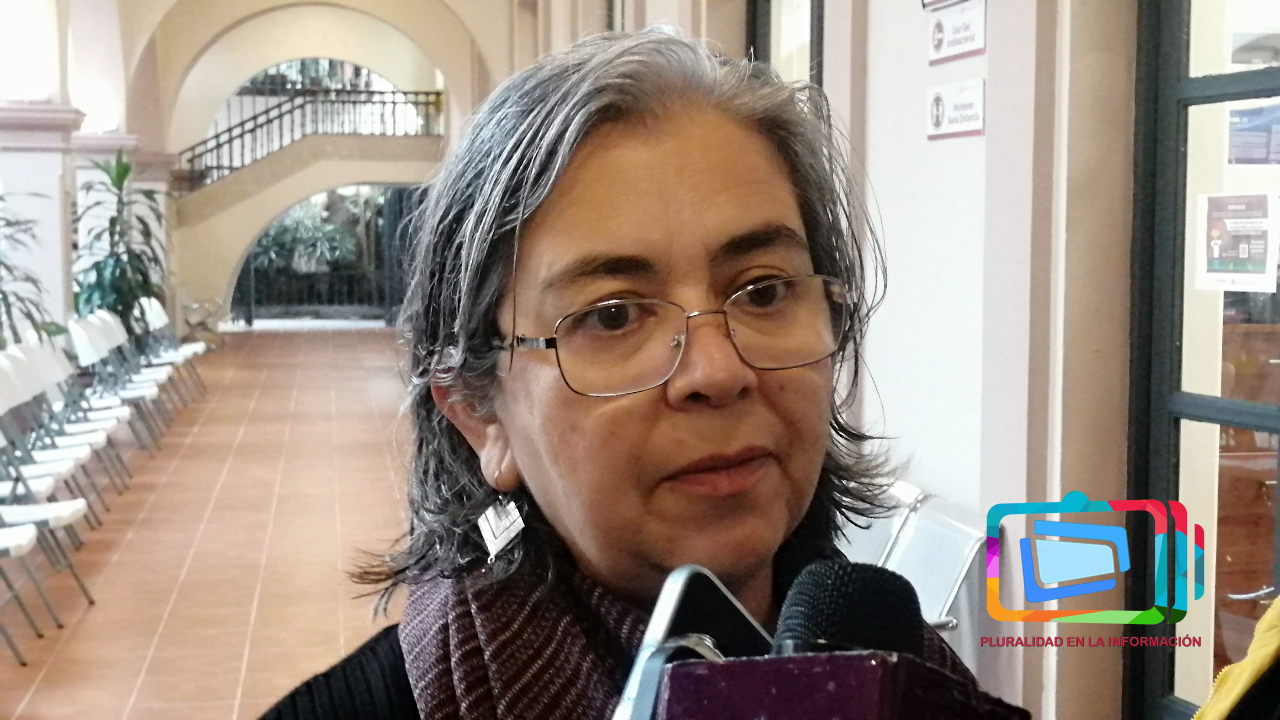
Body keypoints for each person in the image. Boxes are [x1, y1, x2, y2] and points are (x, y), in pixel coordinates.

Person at [262, 28, 986, 720]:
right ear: (480, 414)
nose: (717, 371)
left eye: (764, 291)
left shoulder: (916, 682)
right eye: (612, 316)